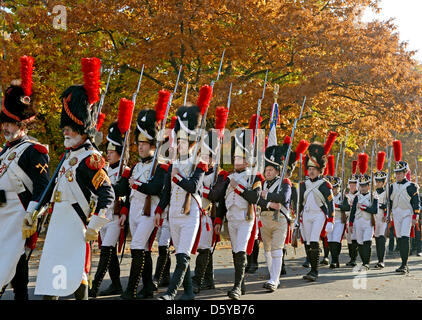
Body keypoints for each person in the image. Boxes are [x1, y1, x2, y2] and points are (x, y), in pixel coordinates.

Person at [33, 58, 115, 300]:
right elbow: (52, 188)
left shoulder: (91, 159)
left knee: (76, 274)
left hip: (77, 224)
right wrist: (35, 211)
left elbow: (107, 194)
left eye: (69, 127)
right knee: (53, 276)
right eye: (64, 127)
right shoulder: (68, 156)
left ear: (81, 126)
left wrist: (95, 223)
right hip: (58, 223)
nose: (64, 130)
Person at [0, 56, 50, 300]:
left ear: (22, 123)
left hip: (19, 219)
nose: (5, 128)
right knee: (15, 269)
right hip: (1, 217)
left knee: (10, 269)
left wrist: (32, 214)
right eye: (4, 122)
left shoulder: (34, 151)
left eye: (10, 123)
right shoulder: (5, 151)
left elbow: (43, 188)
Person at [154, 101, 209, 300]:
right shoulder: (174, 161)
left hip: (191, 212)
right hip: (174, 212)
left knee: (184, 255)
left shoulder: (200, 161)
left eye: (184, 139)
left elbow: (194, 186)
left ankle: (170, 293)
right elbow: (167, 190)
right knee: (179, 255)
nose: (180, 142)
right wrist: (160, 209)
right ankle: (189, 293)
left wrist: (177, 176)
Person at [116, 103, 169, 300]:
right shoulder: (136, 166)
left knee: (137, 246)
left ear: (153, 145)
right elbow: (123, 191)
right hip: (134, 211)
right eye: (139, 144)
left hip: (150, 211)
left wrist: (136, 184)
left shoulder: (161, 166)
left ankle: (131, 289)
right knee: (144, 249)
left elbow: (155, 189)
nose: (140, 146)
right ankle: (148, 287)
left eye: (144, 144)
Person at [214, 124, 264, 300]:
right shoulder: (228, 177)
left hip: (245, 218)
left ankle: (236, 287)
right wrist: (218, 220)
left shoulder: (255, 177)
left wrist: (240, 188)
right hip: (231, 219)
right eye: (235, 157)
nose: (236, 161)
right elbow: (220, 201)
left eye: (240, 158)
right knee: (235, 251)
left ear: (248, 160)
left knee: (241, 250)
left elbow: (255, 198)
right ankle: (241, 284)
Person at [88, 120, 129, 298]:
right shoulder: (103, 170)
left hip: (115, 216)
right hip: (103, 214)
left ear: (119, 153)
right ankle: (117, 285)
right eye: (108, 152)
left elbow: (123, 191)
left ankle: (95, 287)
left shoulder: (125, 171)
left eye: (112, 152)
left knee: (106, 251)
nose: (108, 154)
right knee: (110, 253)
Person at [298, 135, 336, 282]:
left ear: (320, 169)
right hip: (306, 215)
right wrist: (297, 218)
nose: (311, 171)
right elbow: (300, 203)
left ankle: (315, 271)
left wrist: (331, 219)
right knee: (308, 242)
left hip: (319, 215)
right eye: (309, 168)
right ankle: (311, 268)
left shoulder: (325, 185)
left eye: (314, 168)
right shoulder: (303, 185)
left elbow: (330, 203)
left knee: (314, 240)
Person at [387, 140, 420, 274]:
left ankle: (405, 264)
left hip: (407, 214)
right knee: (400, 238)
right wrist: (387, 215)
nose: (398, 175)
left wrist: (415, 215)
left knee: (405, 237)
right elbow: (389, 202)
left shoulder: (412, 186)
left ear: (405, 172)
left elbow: (416, 203)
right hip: (396, 214)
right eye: (397, 172)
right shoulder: (392, 186)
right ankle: (402, 262)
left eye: (400, 172)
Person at [348, 153, 375, 271]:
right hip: (358, 222)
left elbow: (374, 209)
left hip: (368, 222)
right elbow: (353, 210)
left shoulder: (373, 196)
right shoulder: (357, 197)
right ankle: (363, 261)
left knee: (367, 241)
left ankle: (366, 262)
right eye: (361, 186)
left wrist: (364, 207)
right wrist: (350, 223)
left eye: (365, 186)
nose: (363, 188)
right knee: (359, 242)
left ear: (368, 186)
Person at [326, 155, 349, 269]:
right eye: (332, 187)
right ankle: (332, 258)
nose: (333, 190)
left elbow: (347, 207)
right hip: (330, 221)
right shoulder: (328, 196)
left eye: (335, 188)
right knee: (330, 241)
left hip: (339, 220)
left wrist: (337, 206)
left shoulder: (342, 196)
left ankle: (335, 260)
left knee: (336, 240)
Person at [372, 151, 388, 268]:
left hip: (383, 217)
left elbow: (389, 205)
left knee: (381, 238)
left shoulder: (386, 192)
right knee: (376, 239)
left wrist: (384, 207)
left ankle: (381, 260)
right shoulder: (372, 193)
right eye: (377, 181)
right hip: (374, 218)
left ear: (383, 182)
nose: (378, 183)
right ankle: (378, 259)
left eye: (380, 181)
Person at [345, 160, 359, 267]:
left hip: (358, 219)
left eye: (354, 184)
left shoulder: (360, 195)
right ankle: (351, 258)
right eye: (351, 184)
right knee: (349, 239)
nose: (352, 186)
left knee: (355, 239)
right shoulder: (346, 195)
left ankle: (355, 258)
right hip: (347, 218)